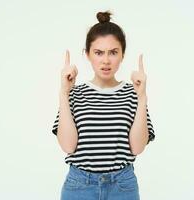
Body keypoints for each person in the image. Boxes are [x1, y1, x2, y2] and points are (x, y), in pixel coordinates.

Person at [51, 11, 155, 200]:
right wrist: (64, 93)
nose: (106, 60)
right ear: (88, 55)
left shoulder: (133, 93)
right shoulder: (74, 93)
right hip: (79, 187)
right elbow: (68, 146)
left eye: (113, 52)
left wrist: (142, 97)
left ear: (122, 54)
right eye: (98, 52)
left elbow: (138, 148)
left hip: (122, 187)